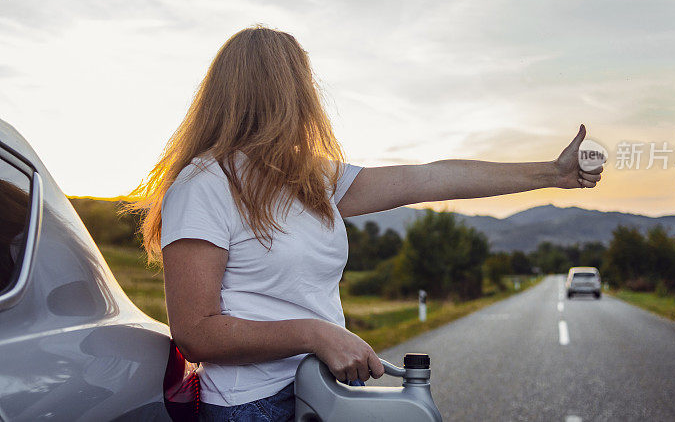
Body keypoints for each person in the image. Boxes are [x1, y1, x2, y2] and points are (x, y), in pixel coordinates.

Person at [124, 25, 603, 421]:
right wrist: (317, 334)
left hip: (320, 392)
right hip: (251, 408)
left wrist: (551, 174)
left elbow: (429, 177)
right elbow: (195, 332)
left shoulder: (308, 178)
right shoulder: (203, 184)